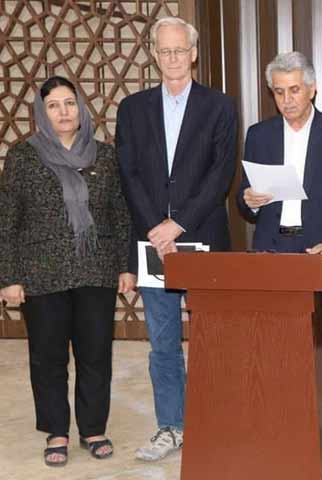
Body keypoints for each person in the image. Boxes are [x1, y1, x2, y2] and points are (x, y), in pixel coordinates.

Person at [116, 16, 238, 461]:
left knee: (211, 339)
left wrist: (178, 223)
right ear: (154, 54)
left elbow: (221, 173)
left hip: (202, 236)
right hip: (153, 243)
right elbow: (128, 173)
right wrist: (156, 227)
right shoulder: (133, 108)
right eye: (164, 50)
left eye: (179, 50)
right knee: (163, 342)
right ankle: (171, 426)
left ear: (194, 54)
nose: (172, 58)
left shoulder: (220, 106)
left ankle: (213, 424)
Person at [0, 76, 135, 466]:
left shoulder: (104, 155)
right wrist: (9, 277)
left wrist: (125, 267)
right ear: (42, 113)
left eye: (70, 103)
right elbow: (7, 219)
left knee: (95, 353)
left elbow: (120, 214)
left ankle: (93, 428)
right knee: (48, 356)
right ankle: (56, 430)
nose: (63, 112)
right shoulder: (23, 156)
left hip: (96, 269)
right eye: (54, 105)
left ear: (81, 108)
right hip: (41, 271)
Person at [237, 51, 322, 381]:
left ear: (312, 88)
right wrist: (249, 200)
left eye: (294, 90)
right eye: (279, 91)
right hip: (271, 253)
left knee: (318, 353)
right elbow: (244, 201)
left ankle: (321, 414)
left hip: (320, 255)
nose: (287, 100)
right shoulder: (259, 135)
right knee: (272, 350)